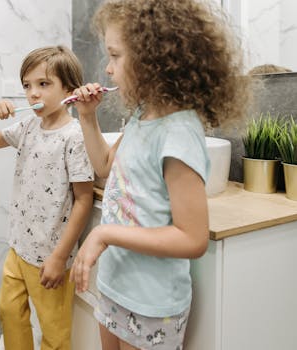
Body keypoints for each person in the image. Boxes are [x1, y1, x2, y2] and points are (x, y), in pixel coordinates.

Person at [69, 1, 252, 349]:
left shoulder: (178, 133)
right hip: (115, 283)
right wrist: (87, 118)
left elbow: (192, 238)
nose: (107, 69)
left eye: (115, 56)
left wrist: (106, 233)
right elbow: (106, 167)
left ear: (152, 60)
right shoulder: (142, 115)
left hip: (151, 302)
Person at [0, 45, 94, 349]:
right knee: (9, 313)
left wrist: (59, 257)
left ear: (69, 90)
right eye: (28, 86)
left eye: (43, 84)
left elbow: (83, 200)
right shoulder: (29, 125)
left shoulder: (75, 137)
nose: (33, 94)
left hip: (50, 256)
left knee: (54, 331)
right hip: (18, 248)